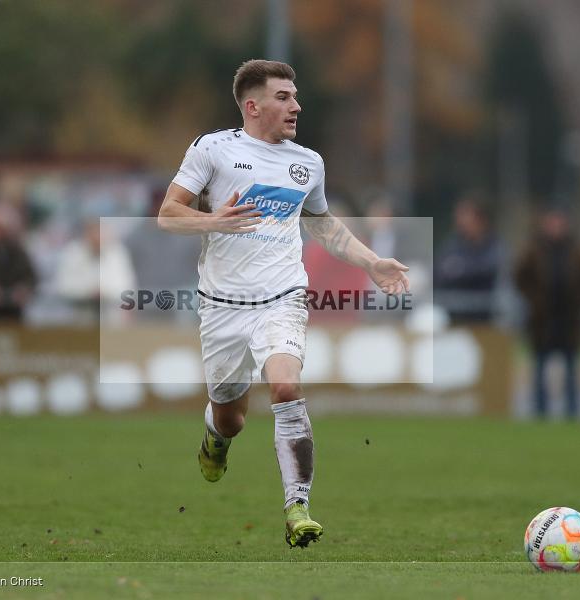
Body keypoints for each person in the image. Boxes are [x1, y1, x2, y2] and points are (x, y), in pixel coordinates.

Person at [157, 59, 409, 547]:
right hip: (222, 305)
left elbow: (323, 224)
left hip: (283, 297)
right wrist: (214, 221)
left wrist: (371, 261)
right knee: (230, 416)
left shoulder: (307, 163)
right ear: (252, 106)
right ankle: (216, 437)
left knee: (286, 388)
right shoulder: (213, 149)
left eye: (294, 96)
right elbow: (168, 214)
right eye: (283, 97)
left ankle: (297, 507)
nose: (296, 105)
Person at [514, 208, 580, 418]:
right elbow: (520, 277)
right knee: (539, 368)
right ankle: (540, 411)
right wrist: (535, 300)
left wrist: (579, 301)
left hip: (569, 319)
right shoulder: (534, 249)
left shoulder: (576, 250)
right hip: (542, 320)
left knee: (571, 369)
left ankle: (572, 412)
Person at [434, 195, 504, 324]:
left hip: (484, 319)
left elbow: (487, 270)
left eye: (464, 214)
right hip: (452, 315)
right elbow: (439, 271)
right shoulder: (453, 243)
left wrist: (459, 270)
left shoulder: (495, 246)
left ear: (481, 218)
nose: (458, 219)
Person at [53, 218, 137, 323]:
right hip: (80, 317)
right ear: (86, 234)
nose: (97, 237)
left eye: (100, 233)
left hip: (111, 320)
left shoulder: (117, 254)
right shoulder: (72, 254)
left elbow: (126, 286)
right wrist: (89, 292)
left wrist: (104, 292)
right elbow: (63, 286)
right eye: (93, 233)